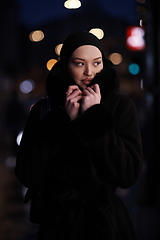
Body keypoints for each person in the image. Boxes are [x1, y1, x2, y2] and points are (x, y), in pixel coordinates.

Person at [15, 31, 143, 240]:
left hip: (108, 224)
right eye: (80, 63)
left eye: (97, 62)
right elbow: (28, 174)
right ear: (66, 65)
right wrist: (62, 121)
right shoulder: (44, 110)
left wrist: (94, 117)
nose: (89, 72)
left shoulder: (120, 106)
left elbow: (128, 173)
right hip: (56, 225)